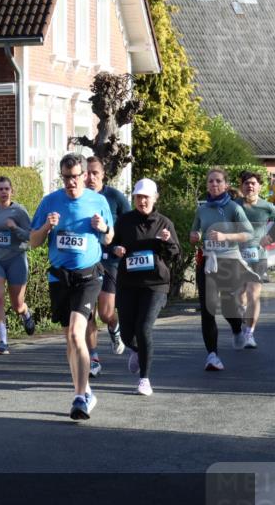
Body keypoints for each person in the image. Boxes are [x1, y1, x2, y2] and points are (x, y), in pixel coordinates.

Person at [30, 153, 114, 420]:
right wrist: (46, 226)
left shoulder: (98, 201)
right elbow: (33, 241)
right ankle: (86, 389)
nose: (71, 183)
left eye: (75, 177)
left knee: (78, 334)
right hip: (59, 277)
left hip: (88, 277)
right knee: (69, 338)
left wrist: (103, 228)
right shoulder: (50, 202)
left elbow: (110, 238)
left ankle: (79, 397)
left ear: (84, 175)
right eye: (66, 178)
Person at [110, 179, 180, 395]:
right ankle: (137, 350)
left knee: (143, 328)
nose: (142, 201)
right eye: (139, 197)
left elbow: (176, 254)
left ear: (154, 198)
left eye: (146, 197)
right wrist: (116, 250)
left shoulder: (164, 223)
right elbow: (111, 244)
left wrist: (167, 242)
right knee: (128, 332)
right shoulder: (124, 221)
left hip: (155, 284)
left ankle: (144, 380)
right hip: (128, 283)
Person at [189, 168, 257, 370]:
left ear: (226, 185)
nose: (214, 184)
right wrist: (195, 237)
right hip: (208, 261)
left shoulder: (233, 208)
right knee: (207, 309)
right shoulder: (202, 209)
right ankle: (212, 355)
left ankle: (237, 328)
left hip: (228, 261)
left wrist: (226, 237)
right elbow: (195, 231)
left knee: (228, 305)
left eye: (218, 181)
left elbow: (249, 233)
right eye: (210, 181)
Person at [83, 156, 130, 376]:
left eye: (95, 173)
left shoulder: (114, 197)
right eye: (87, 173)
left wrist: (122, 246)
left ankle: (114, 327)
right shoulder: (78, 198)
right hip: (86, 262)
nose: (90, 177)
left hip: (110, 260)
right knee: (88, 313)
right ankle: (93, 358)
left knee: (105, 313)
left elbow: (130, 225)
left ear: (103, 175)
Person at [0, 176, 35, 354]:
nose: (4, 192)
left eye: (7, 189)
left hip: (16, 259)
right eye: (0, 189)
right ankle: (3, 342)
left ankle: (26, 313)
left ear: (12, 191)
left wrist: (14, 228)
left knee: (17, 304)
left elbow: (31, 237)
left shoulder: (19, 211)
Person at [235, 170, 275, 348]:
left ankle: (250, 334)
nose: (250, 186)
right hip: (237, 258)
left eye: (253, 183)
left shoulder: (267, 207)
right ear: (241, 187)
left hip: (258, 257)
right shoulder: (233, 205)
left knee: (253, 293)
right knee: (239, 296)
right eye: (246, 183)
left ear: (259, 186)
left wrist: (270, 237)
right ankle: (244, 317)